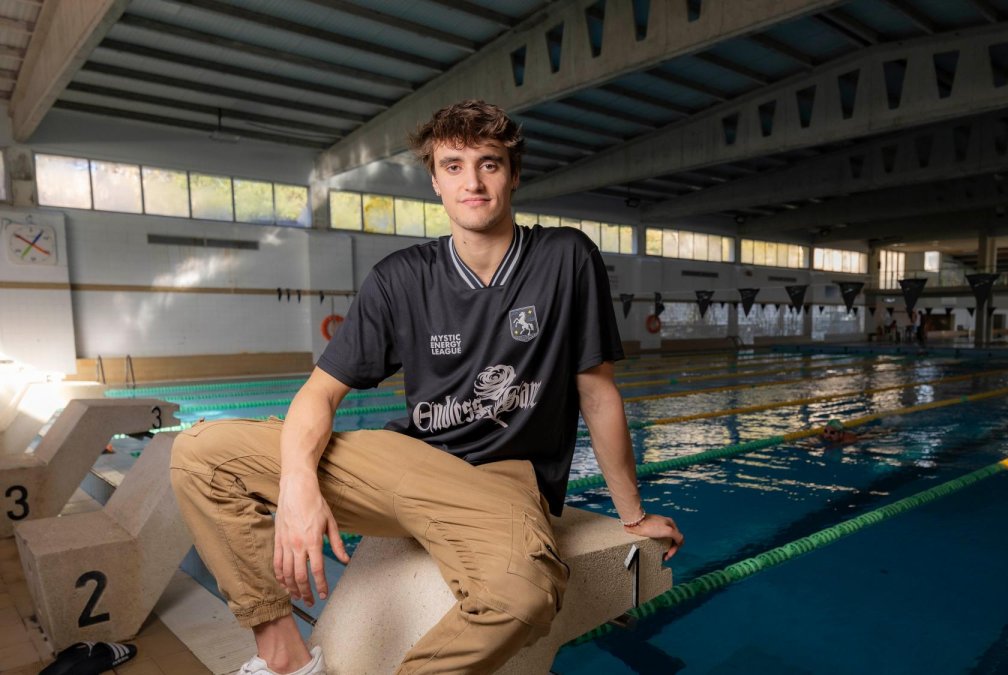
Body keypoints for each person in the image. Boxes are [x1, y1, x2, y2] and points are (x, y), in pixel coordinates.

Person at [170, 100, 684, 675]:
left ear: (513, 175)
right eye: (455, 165)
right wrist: (296, 485)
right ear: (435, 181)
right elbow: (319, 393)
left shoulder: (565, 258)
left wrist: (632, 515)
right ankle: (285, 661)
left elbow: (597, 393)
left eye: (489, 164)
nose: (473, 181)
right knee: (199, 455)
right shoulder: (400, 276)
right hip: (403, 462)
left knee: (523, 596)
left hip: (500, 479)